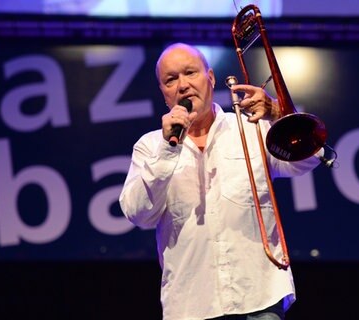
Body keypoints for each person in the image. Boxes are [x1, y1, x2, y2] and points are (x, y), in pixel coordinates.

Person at [119, 42, 323, 320]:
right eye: (171, 79)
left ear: (211, 78)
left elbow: (309, 159)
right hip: (192, 305)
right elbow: (139, 214)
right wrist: (168, 149)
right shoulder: (151, 146)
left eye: (190, 73)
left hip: (259, 296)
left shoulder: (252, 128)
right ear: (164, 93)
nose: (182, 85)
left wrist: (278, 113)